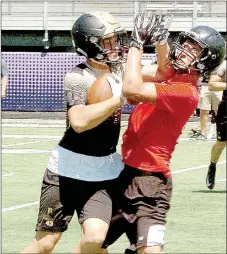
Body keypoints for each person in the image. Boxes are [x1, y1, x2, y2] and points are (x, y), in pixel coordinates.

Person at [102, 11, 226, 254]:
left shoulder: (185, 91)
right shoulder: (174, 74)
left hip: (152, 181)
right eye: (186, 44)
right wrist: (161, 41)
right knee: (92, 243)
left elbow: (132, 88)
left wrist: (137, 43)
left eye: (195, 49)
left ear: (206, 61)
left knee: (150, 250)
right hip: (123, 172)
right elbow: (162, 67)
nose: (185, 50)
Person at [20, 11, 126, 254]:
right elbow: (78, 122)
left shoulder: (119, 71)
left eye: (115, 39)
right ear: (90, 43)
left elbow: (156, 74)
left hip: (102, 171)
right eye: (107, 40)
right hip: (66, 171)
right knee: (45, 243)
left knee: (96, 238)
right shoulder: (77, 77)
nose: (115, 45)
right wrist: (118, 100)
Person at [206, 59, 226, 190]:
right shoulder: (225, 64)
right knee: (221, 143)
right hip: (226, 109)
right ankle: (212, 166)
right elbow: (212, 85)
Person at [196, 73, 222, 140]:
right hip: (205, 85)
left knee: (219, 111)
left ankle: (220, 132)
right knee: (203, 110)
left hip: (219, 85)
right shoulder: (204, 62)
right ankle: (203, 133)